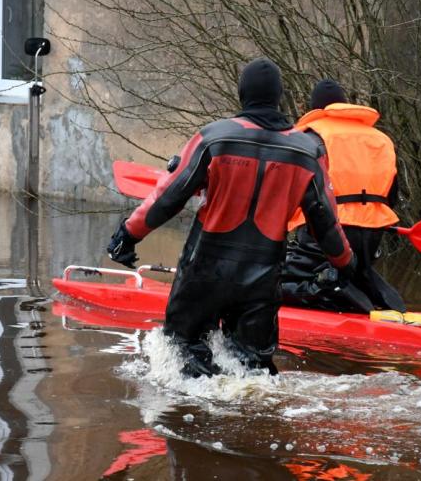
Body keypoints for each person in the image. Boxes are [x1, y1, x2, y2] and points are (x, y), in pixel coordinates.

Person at [106, 58, 355, 377]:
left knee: (182, 354)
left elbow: (169, 197)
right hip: (263, 276)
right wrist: (345, 264)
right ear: (279, 96)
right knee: (253, 368)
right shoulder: (309, 151)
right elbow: (325, 221)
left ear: (242, 94)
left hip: (205, 268)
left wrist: (127, 235)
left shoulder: (214, 137)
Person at [281, 78, 405, 313]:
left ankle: (326, 286)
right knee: (356, 271)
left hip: (326, 233)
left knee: (268, 283)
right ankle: (361, 294)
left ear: (315, 108)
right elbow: (392, 196)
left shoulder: (311, 137)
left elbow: (292, 194)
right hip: (371, 236)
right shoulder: (381, 140)